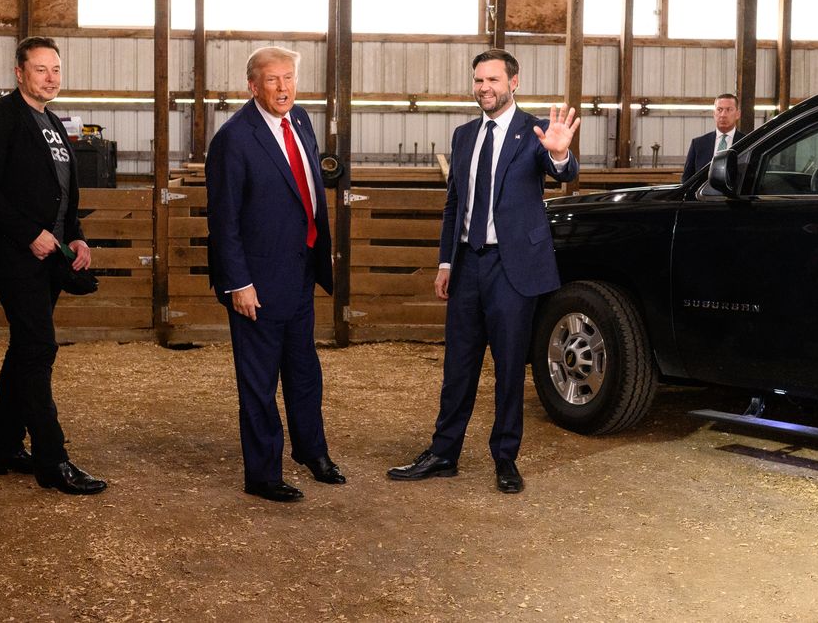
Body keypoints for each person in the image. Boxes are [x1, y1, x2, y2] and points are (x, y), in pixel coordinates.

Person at [388, 48, 579, 494]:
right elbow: (455, 202)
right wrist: (446, 261)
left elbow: (562, 169)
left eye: (493, 80)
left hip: (512, 268)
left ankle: (505, 458)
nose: (484, 88)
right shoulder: (463, 135)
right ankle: (443, 452)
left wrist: (559, 154)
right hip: (469, 264)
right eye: (478, 80)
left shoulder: (535, 131)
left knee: (510, 366)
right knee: (458, 364)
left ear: (514, 83)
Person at [0, 36, 106, 496]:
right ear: (19, 72)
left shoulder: (52, 124)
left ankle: (3, 448)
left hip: (50, 255)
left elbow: (63, 193)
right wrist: (29, 233)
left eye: (56, 69)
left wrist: (76, 235)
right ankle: (53, 459)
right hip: (13, 254)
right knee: (39, 348)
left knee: (26, 349)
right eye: (41, 69)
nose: (51, 78)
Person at [205, 46, 345, 502]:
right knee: (259, 381)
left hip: (300, 271)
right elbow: (223, 220)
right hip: (257, 284)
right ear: (252, 86)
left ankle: (312, 451)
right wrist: (237, 284)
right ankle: (263, 473)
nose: (283, 88)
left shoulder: (300, 121)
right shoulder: (234, 139)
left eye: (288, 78)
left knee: (304, 370)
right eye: (272, 80)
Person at [682, 92, 744, 180]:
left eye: (729, 109)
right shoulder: (698, 144)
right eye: (719, 109)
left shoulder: (747, 142)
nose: (723, 115)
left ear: (738, 114)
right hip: (703, 193)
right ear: (714, 114)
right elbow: (686, 179)